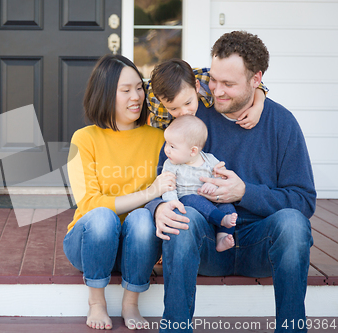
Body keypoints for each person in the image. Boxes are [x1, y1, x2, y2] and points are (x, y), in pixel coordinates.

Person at [146, 31, 316, 332]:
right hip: (206, 245)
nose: (217, 90)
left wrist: (244, 192)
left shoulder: (281, 123)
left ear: (256, 80)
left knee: (293, 223)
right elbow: (162, 183)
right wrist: (158, 207)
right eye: (213, 80)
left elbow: (303, 200)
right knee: (180, 218)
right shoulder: (191, 116)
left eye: (228, 84)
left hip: (259, 245)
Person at [64, 54, 174, 330]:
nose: (136, 96)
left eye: (139, 87)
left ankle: (130, 303)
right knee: (103, 217)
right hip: (90, 242)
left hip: (138, 245)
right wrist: (149, 193)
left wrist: (257, 92)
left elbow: (189, 84)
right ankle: (97, 302)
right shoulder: (85, 138)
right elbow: (89, 203)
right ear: (104, 94)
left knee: (140, 219)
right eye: (125, 90)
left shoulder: (160, 138)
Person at [161, 115, 237, 252]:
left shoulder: (210, 160)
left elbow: (222, 179)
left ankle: (222, 237)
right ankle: (221, 219)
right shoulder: (171, 165)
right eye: (166, 143)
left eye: (172, 146)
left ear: (193, 151)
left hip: (212, 201)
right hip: (188, 202)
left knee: (228, 207)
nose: (167, 149)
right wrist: (171, 202)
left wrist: (215, 184)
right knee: (194, 199)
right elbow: (168, 187)